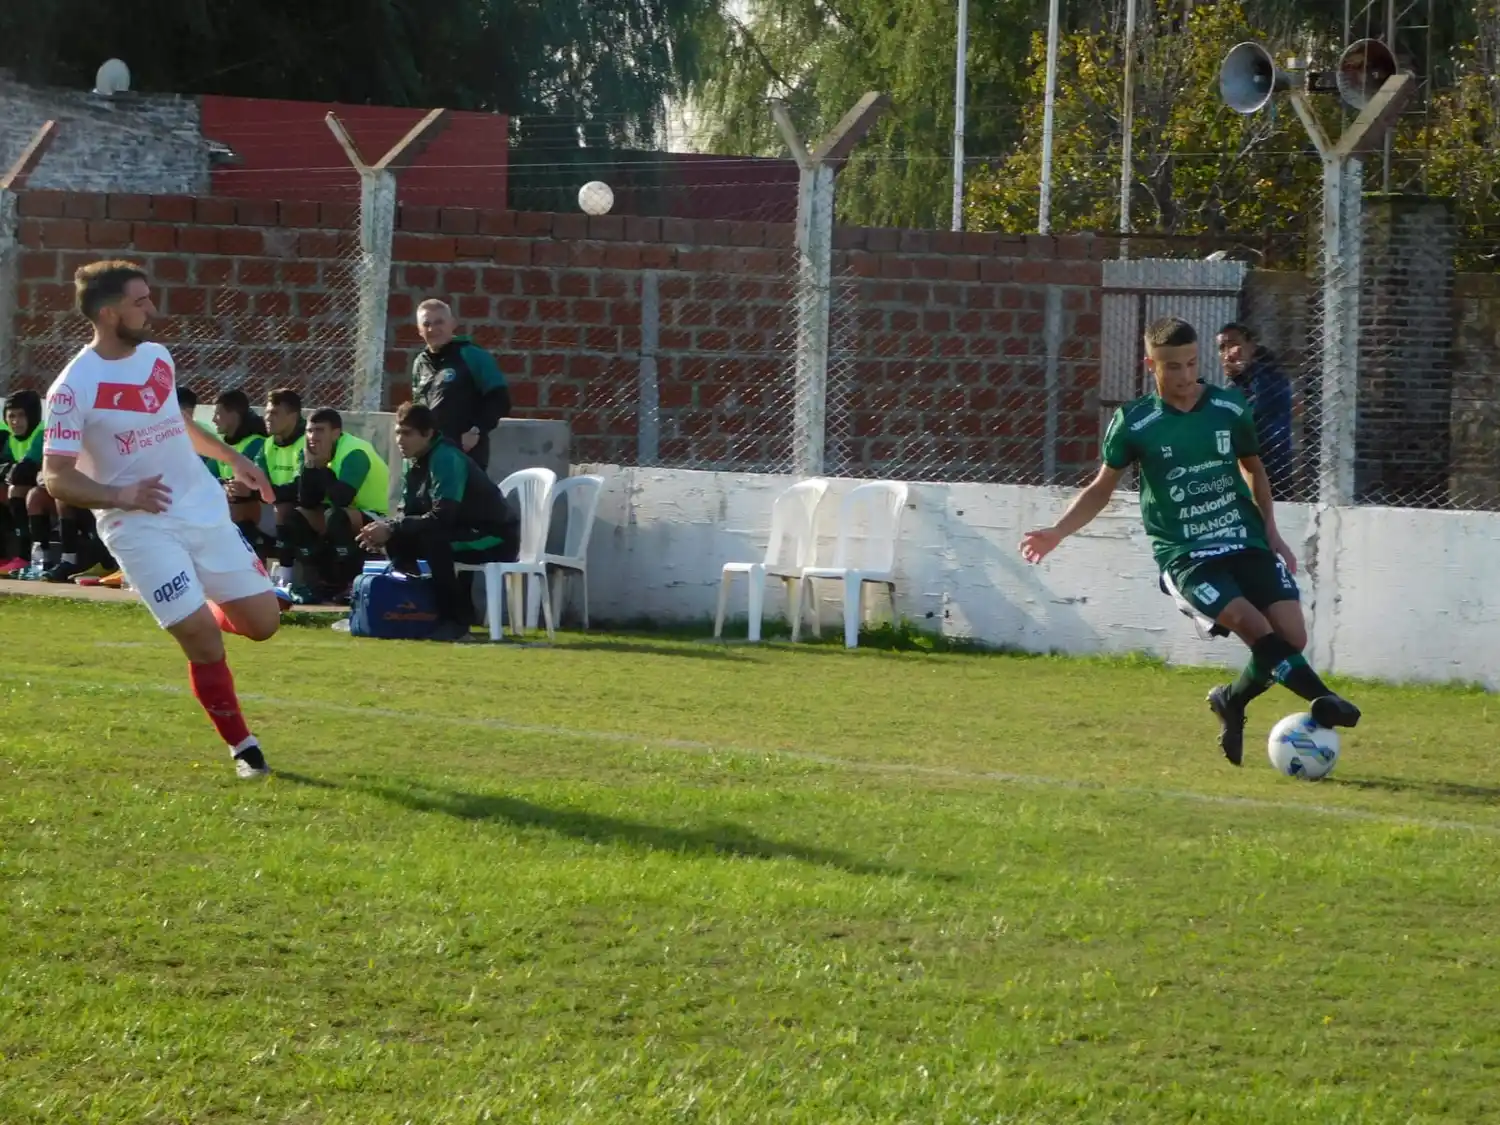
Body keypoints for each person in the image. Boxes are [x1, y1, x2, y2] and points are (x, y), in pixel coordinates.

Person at [1019, 316, 1361, 766]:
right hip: (1186, 554)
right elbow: (1102, 487)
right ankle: (1324, 698)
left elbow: (1254, 469)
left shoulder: (1230, 407)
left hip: (1243, 538)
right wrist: (1058, 531)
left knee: (1291, 638)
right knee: (1248, 621)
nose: (1185, 377)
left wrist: (1272, 533)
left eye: (1192, 364)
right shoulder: (1135, 421)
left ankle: (1232, 700)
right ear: (1150, 365)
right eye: (1173, 367)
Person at [39, 259, 281, 779]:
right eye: (139, 301)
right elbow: (56, 477)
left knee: (263, 625)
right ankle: (244, 748)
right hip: (138, 525)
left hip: (200, 508)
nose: (152, 310)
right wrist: (121, 494)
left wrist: (232, 458)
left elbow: (174, 423)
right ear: (108, 313)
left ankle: (199, 603)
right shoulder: (70, 388)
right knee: (201, 639)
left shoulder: (156, 356)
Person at [356, 402, 519, 643]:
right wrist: (385, 531)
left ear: (428, 433)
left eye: (408, 433)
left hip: (494, 536)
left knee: (434, 540)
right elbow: (408, 513)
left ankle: (456, 621)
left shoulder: (445, 458)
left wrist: (392, 527)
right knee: (399, 538)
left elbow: (442, 516)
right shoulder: (413, 461)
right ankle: (408, 611)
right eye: (398, 432)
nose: (400, 439)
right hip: (458, 532)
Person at [284, 407, 389, 601]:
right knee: (294, 515)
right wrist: (310, 467)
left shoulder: (355, 452)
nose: (312, 437)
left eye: (319, 430)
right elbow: (306, 501)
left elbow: (343, 498)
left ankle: (349, 582)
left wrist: (322, 468)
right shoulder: (308, 452)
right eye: (309, 430)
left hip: (373, 517)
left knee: (335, 516)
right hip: (333, 512)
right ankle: (312, 583)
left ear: (336, 432)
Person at [410, 299, 511, 471]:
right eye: (426, 324)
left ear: (452, 324)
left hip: (464, 452)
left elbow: (500, 399)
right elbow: (418, 407)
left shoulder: (473, 355)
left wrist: (475, 431)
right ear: (419, 330)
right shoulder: (420, 362)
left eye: (439, 322)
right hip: (427, 453)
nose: (433, 329)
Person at [1216, 322, 1294, 496]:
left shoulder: (1270, 377)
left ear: (1251, 346)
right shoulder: (1235, 384)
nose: (1227, 354)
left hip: (1272, 470)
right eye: (1222, 347)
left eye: (1234, 344)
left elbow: (1256, 410)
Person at [256, 387, 308, 589]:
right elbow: (258, 480)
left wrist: (272, 493)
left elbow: (301, 485)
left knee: (284, 509)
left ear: (293, 416)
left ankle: (286, 577)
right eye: (267, 413)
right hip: (276, 503)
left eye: (275, 413)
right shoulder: (267, 444)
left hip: (307, 507)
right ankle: (253, 577)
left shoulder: (307, 441)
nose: (268, 418)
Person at [211, 389, 269, 553]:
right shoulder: (221, 445)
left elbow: (249, 486)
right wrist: (223, 484)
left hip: (260, 512)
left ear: (233, 415)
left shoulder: (256, 443)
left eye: (218, 414)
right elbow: (208, 476)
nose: (214, 419)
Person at [0, 390, 44, 574]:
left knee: (16, 490)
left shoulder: (41, 432)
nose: (15, 421)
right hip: (27, 489)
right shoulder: (10, 438)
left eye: (21, 415)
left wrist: (8, 470)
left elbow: (24, 470)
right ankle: (3, 555)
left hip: (45, 491)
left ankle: (25, 556)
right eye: (11, 416)